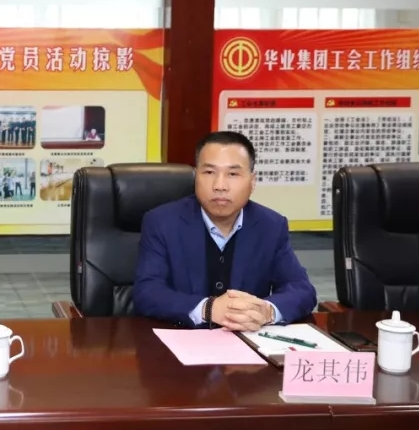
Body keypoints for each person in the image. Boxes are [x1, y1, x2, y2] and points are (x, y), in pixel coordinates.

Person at [133, 131, 316, 330]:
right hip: (180, 339)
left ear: (252, 181)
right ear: (196, 176)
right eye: (209, 172)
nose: (220, 186)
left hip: (246, 341)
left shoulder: (271, 225)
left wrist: (267, 311)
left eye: (233, 174)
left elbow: (302, 289)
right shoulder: (162, 222)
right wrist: (208, 309)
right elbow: (147, 292)